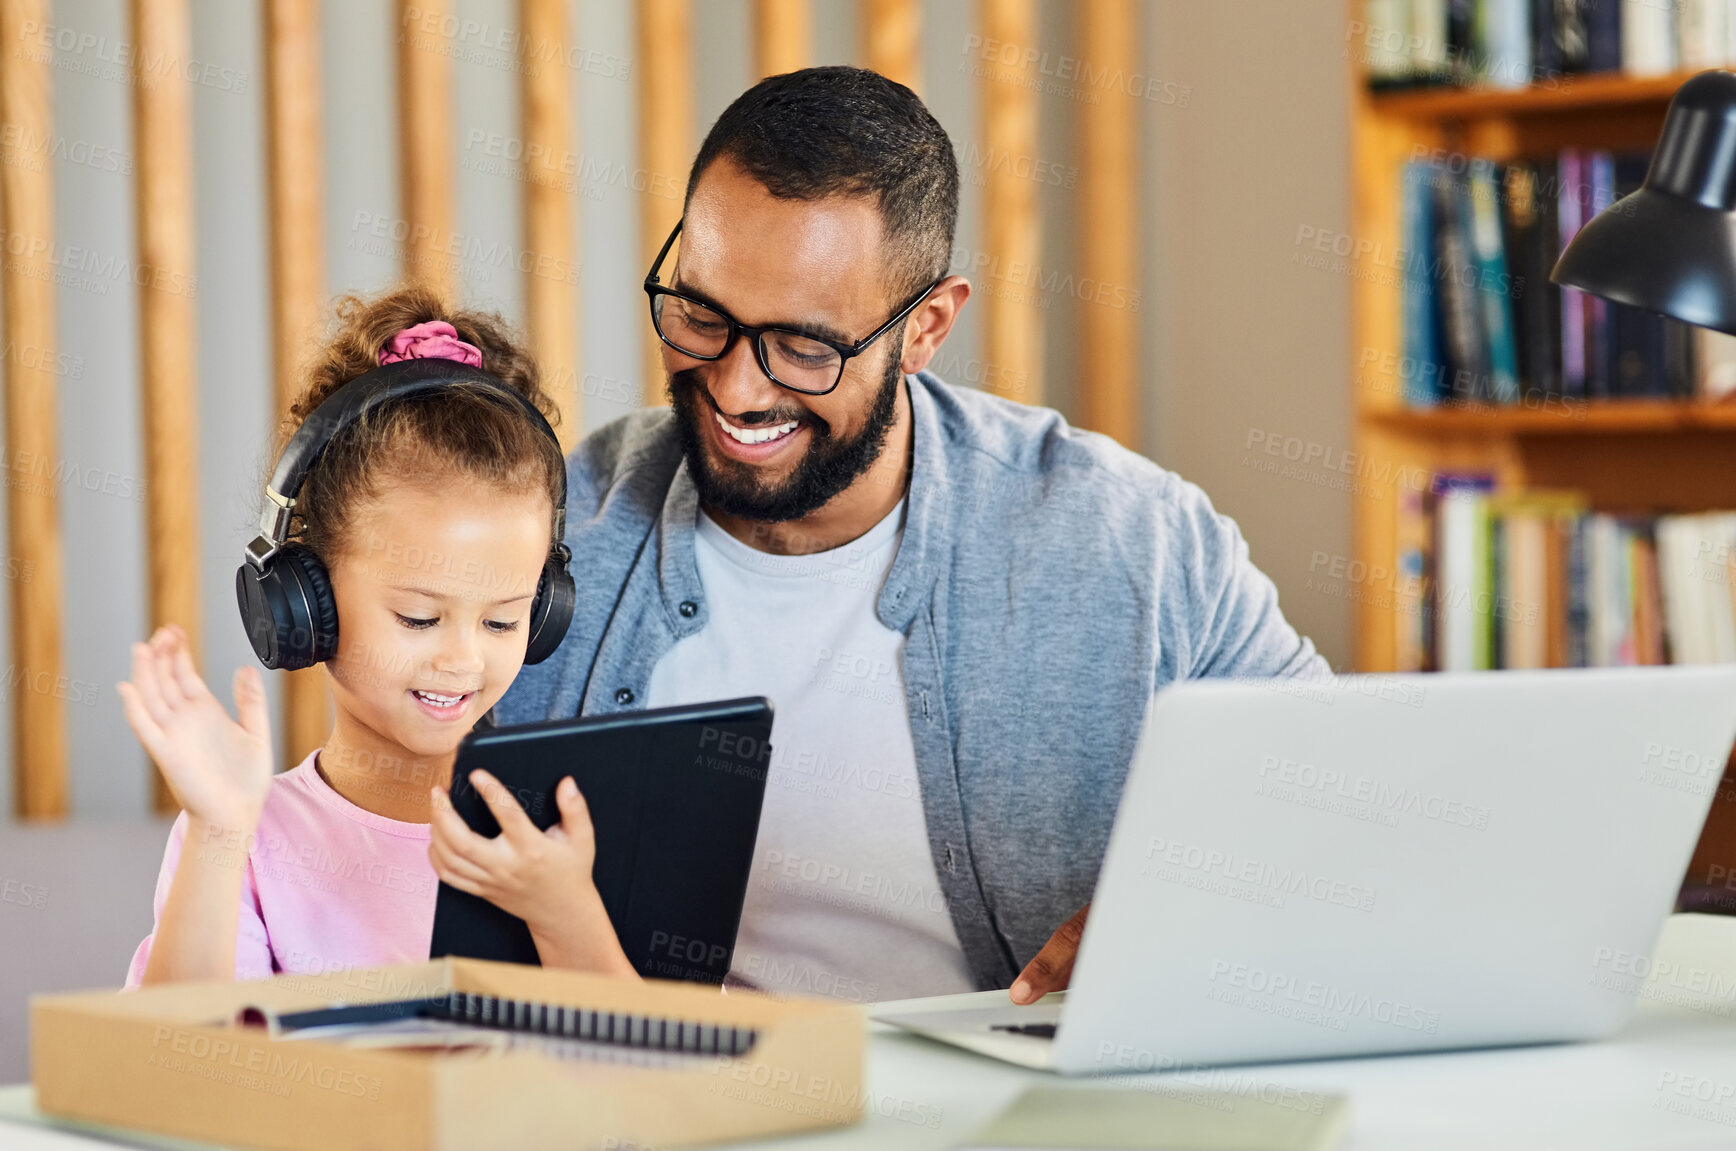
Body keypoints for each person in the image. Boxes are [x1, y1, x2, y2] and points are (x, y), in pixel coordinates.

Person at [496, 67, 1329, 1005]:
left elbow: (1333, 805)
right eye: (702, 315)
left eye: (805, 347)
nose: (737, 388)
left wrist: (1184, 911)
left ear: (925, 327)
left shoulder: (1133, 540)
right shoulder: (548, 530)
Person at [120, 286, 633, 987]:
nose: (461, 658)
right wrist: (216, 832)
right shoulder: (245, 836)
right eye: (420, 618)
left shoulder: (578, 831)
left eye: (503, 620)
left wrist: (566, 912)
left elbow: (686, 1082)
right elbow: (172, 1070)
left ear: (546, 609)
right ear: (306, 600)